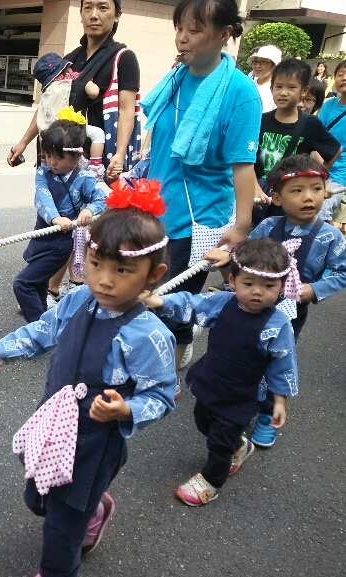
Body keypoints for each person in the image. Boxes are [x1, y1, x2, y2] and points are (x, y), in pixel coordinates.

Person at [0, 186, 177, 577]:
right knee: (38, 498)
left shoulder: (148, 335)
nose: (104, 280)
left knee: (63, 523)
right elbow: (43, 329)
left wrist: (127, 409)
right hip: (54, 422)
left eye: (122, 271)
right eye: (95, 263)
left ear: (153, 275)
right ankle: (95, 508)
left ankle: (59, 566)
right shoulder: (77, 300)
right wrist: (1, 348)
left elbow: (162, 394)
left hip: (94, 443)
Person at [140, 0, 262, 382]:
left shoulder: (240, 92)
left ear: (224, 34)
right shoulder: (175, 77)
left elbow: (243, 166)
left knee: (171, 305)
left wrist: (241, 227)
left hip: (197, 220)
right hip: (153, 211)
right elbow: (158, 143)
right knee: (143, 297)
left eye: (193, 30)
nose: (182, 38)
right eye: (179, 29)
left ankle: (167, 377)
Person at [145, 238, 298, 506]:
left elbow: (283, 363)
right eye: (248, 284)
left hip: (241, 395)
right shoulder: (223, 302)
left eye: (268, 286)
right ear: (234, 281)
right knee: (203, 422)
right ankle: (239, 445)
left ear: (282, 286)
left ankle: (211, 481)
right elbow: (191, 303)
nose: (257, 292)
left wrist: (280, 401)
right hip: (211, 379)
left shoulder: (278, 324)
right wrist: (159, 301)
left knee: (219, 441)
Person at [207, 154, 346, 448]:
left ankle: (269, 412)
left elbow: (342, 272)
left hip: (290, 311)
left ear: (325, 192)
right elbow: (245, 256)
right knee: (247, 353)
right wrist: (227, 258)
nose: (308, 197)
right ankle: (242, 400)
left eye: (316, 189)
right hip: (252, 305)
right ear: (278, 197)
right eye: (297, 190)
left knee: (278, 358)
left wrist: (314, 289)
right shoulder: (268, 226)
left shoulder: (330, 236)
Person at [7, 0, 142, 180]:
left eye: (102, 7)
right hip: (64, 159)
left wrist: (120, 153)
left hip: (99, 163)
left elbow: (126, 111)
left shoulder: (124, 59)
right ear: (81, 13)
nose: (94, 15)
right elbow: (49, 104)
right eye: (88, 8)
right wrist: (23, 142)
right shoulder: (69, 60)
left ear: (117, 15)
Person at [13, 112, 108, 323]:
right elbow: (42, 196)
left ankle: (40, 327)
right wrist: (55, 218)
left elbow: (102, 198)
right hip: (43, 233)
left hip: (61, 243)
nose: (52, 163)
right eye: (48, 156)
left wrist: (88, 210)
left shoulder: (84, 177)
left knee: (23, 283)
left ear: (77, 156)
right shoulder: (43, 172)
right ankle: (46, 323)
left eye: (59, 157)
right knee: (38, 283)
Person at [254, 57, 342, 223]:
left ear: (304, 91)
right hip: (261, 197)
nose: (283, 92)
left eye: (291, 87)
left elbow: (335, 150)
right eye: (278, 86)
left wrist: (315, 179)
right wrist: (254, 187)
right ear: (271, 88)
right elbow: (247, 159)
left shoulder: (310, 123)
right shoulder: (260, 121)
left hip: (290, 200)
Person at [32, 54, 106, 178]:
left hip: (50, 131)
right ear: (66, 68)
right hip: (67, 129)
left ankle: (45, 163)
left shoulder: (48, 89)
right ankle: (95, 167)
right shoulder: (73, 77)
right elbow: (94, 92)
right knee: (98, 134)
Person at [319, 61, 346, 227]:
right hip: (320, 167)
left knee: (320, 209)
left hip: (341, 174)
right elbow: (316, 137)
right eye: (340, 74)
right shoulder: (329, 104)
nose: (344, 78)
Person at [248, 45, 281, 113]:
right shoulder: (248, 84)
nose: (257, 66)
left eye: (263, 62)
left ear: (274, 66)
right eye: (255, 61)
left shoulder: (277, 90)